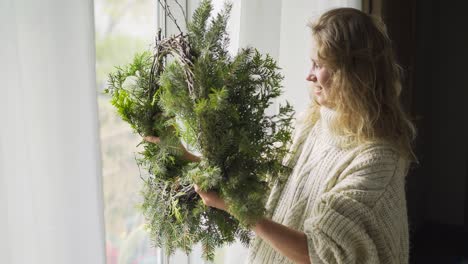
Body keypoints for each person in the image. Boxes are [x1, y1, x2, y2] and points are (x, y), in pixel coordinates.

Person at [146, 7, 416, 264]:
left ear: (352, 74)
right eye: (311, 62)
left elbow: (318, 254)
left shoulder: (377, 159)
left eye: (319, 65)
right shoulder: (313, 122)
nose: (308, 76)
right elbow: (256, 182)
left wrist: (237, 209)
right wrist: (186, 156)